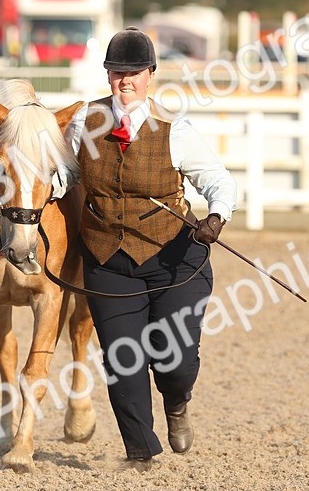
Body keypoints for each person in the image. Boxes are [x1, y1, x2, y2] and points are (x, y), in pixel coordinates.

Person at [54, 26, 238, 465]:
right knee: (123, 362)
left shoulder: (176, 131)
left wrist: (216, 216)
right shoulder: (84, 123)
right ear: (107, 75)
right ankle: (140, 452)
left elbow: (218, 180)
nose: (126, 81)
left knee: (175, 361)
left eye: (135, 72)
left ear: (151, 75)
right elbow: (67, 175)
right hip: (108, 260)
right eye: (118, 72)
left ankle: (177, 403)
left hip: (174, 258)